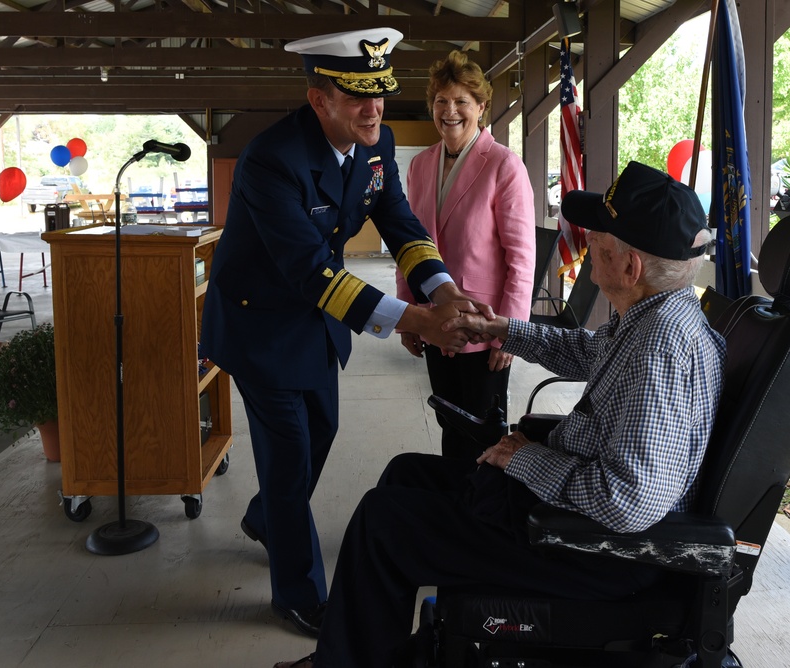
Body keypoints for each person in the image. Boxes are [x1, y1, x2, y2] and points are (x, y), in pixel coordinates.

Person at [274, 161, 727, 668]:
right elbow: (583, 351)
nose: (589, 237)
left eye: (600, 233)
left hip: (598, 550)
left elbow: (628, 504)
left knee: (384, 522)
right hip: (575, 520)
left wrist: (526, 458)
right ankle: (370, 649)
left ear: (630, 267)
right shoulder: (651, 317)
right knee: (406, 473)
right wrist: (500, 329)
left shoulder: (660, 348)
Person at [199, 28, 490, 639]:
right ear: (318, 100)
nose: (374, 109)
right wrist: (416, 320)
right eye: (357, 97)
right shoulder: (271, 157)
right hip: (259, 321)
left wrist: (443, 289)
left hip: (314, 318)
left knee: (321, 432)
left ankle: (267, 520)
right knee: (288, 457)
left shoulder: (375, 142)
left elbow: (401, 224)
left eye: (379, 94)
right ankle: (299, 593)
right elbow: (310, 270)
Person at [397, 51, 535, 460]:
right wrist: (407, 312)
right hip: (434, 320)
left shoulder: (504, 166)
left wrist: (513, 331)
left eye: (461, 101)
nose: (450, 111)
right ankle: (453, 505)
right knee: (448, 419)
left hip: (486, 327)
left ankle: (481, 513)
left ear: (480, 106)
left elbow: (522, 258)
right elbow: (408, 243)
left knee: (483, 430)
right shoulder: (420, 166)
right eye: (441, 101)